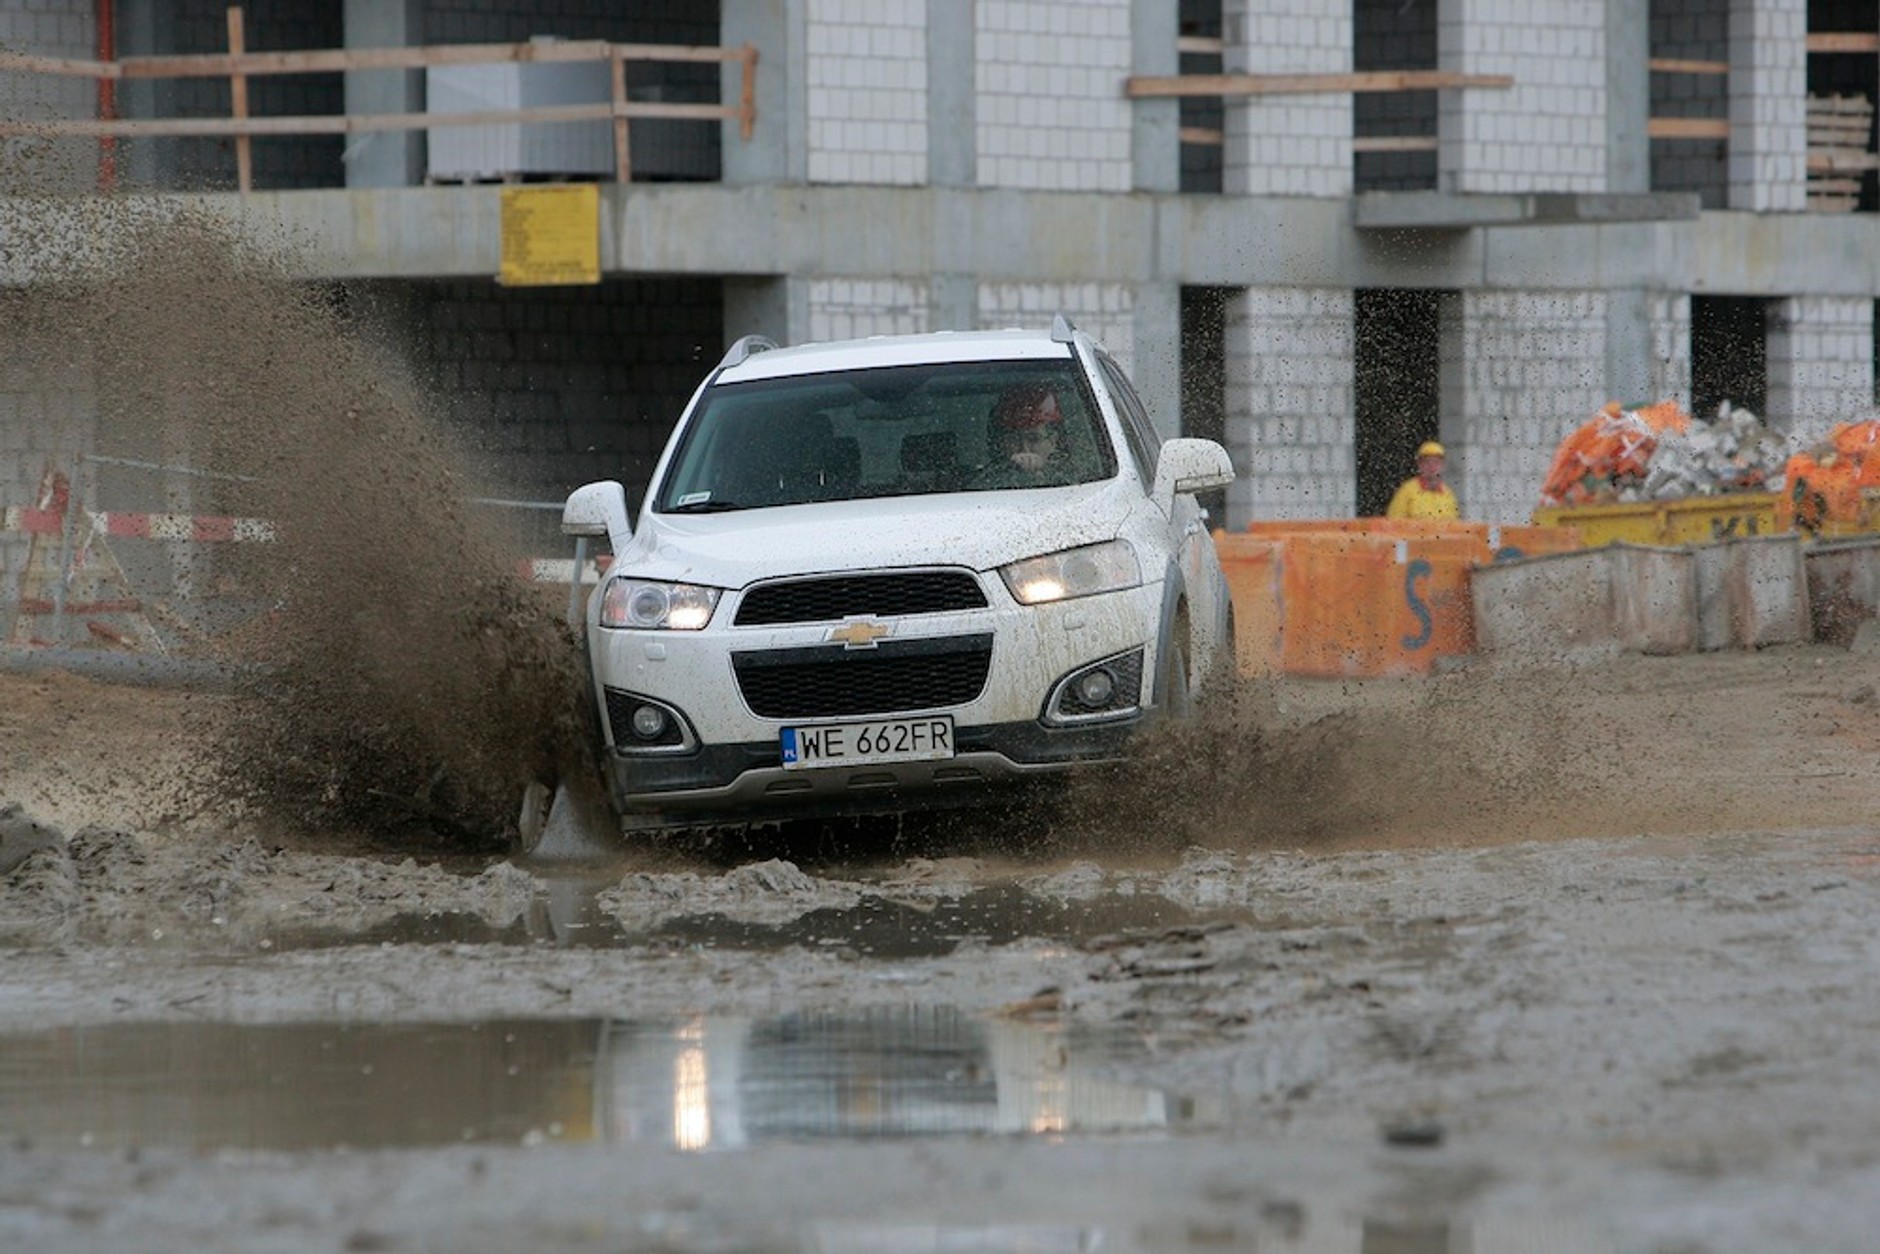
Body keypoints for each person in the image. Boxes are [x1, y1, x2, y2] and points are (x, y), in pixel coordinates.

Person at [987, 382, 1067, 480]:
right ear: (1001, 443)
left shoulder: (1077, 483)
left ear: (1053, 441)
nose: (1024, 450)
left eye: (1034, 439)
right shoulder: (984, 482)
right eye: (1013, 439)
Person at [1386, 439, 1460, 520]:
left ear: (1442, 466)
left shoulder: (1448, 494)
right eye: (1427, 462)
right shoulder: (1407, 491)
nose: (1432, 467)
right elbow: (1393, 523)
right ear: (1419, 465)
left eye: (1436, 462)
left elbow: (1454, 526)